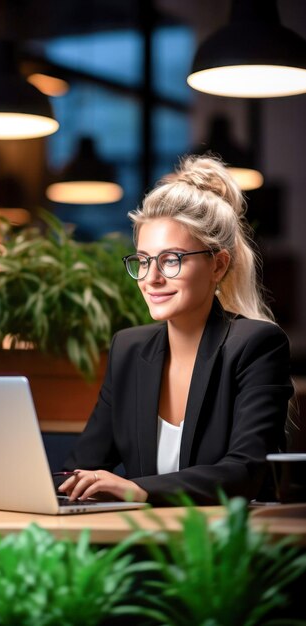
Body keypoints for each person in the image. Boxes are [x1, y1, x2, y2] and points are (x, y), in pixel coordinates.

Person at [58, 154, 293, 506]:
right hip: (143, 543)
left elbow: (246, 471)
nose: (151, 278)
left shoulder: (257, 345)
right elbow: (82, 467)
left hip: (226, 546)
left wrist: (140, 489)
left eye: (171, 260)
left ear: (218, 265)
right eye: (142, 260)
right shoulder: (128, 349)